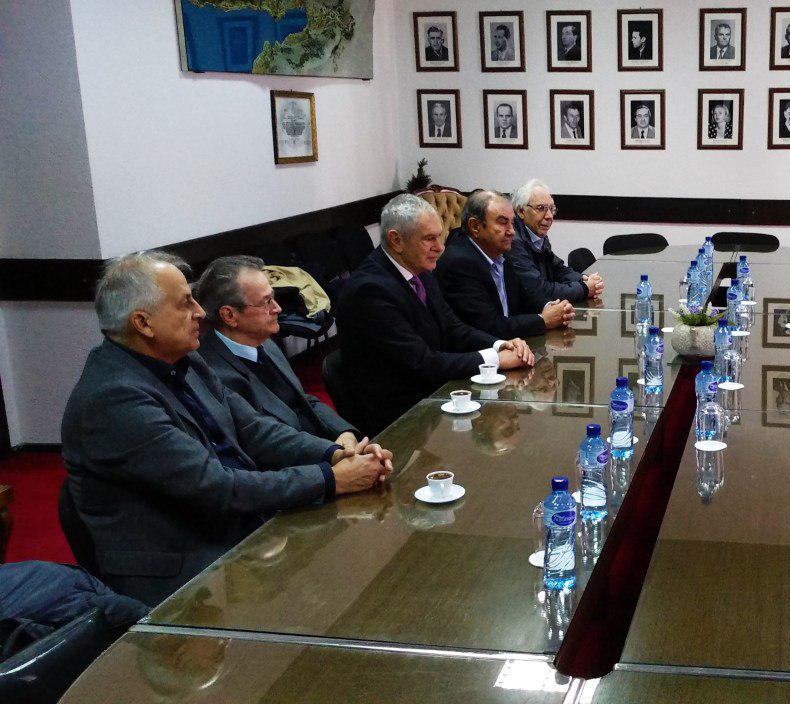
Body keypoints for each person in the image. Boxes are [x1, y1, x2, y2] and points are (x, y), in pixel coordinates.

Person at [61, 252, 390, 605]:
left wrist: (337, 453)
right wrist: (330, 479)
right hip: (187, 565)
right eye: (185, 303)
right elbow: (215, 486)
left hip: (235, 522)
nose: (201, 312)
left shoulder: (186, 359)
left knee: (360, 557)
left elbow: (254, 430)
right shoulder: (114, 399)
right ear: (143, 323)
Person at [335, 194, 535, 435]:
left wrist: (500, 344)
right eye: (429, 239)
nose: (440, 247)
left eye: (439, 237)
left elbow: (454, 328)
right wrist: (496, 359)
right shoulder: (370, 290)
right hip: (398, 420)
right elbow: (424, 363)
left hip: (433, 396)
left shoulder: (420, 271)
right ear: (396, 240)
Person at [194, 255, 360, 443]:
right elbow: (265, 441)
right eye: (266, 302)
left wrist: (344, 433)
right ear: (229, 315)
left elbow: (303, 401)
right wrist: (331, 453)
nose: (278, 308)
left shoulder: (264, 341)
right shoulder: (212, 375)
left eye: (273, 297)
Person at [436, 189, 575, 340]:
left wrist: (551, 307)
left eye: (512, 223)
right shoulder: (460, 263)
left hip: (511, 344)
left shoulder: (499, 252)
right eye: (503, 222)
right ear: (475, 226)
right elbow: (490, 326)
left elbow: (524, 296)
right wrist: (543, 320)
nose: (511, 231)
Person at [508, 179, 603, 305]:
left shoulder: (537, 234)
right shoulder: (513, 242)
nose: (549, 216)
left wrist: (582, 279)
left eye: (551, 209)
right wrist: (584, 289)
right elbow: (539, 291)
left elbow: (557, 269)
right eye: (541, 208)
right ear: (521, 211)